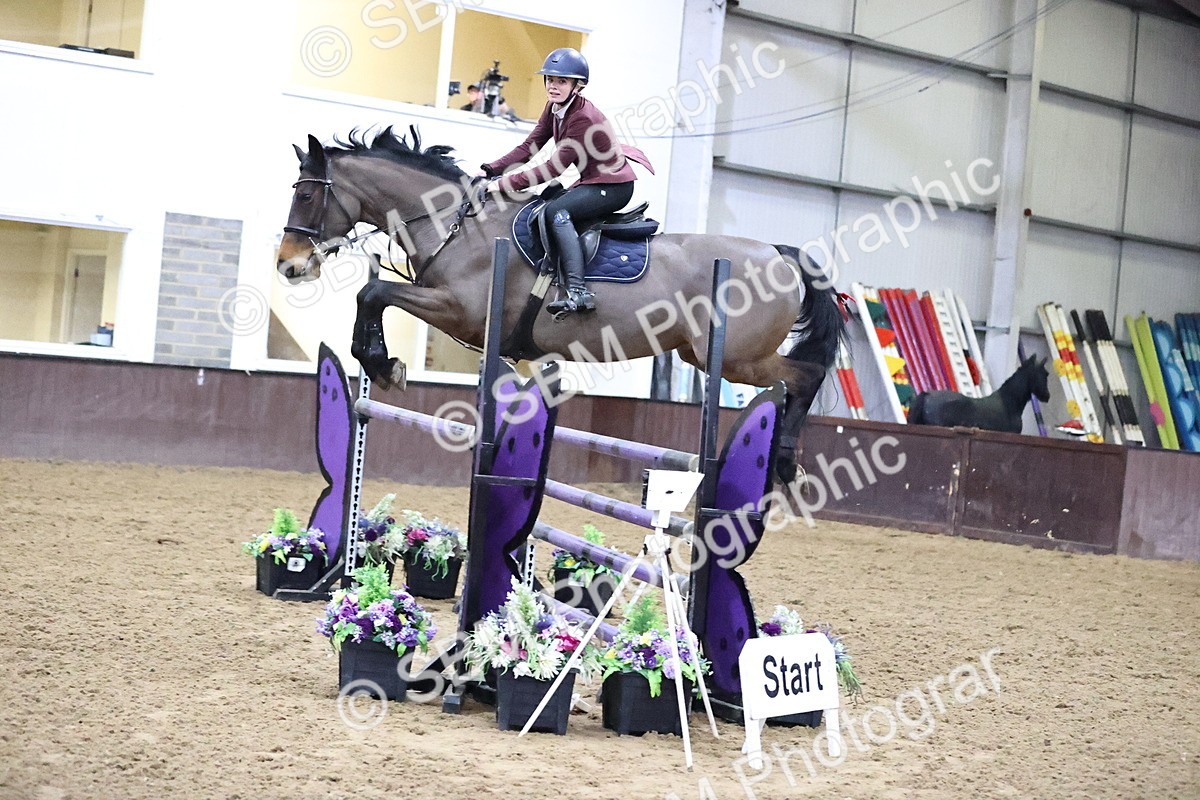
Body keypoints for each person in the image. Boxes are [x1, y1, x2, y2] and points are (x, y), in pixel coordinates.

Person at [480, 47, 653, 316]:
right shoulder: (555, 106)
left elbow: (552, 168)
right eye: (550, 79)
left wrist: (503, 185)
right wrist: (491, 169)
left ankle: (578, 291)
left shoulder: (582, 117)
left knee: (556, 211)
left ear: (577, 85)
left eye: (561, 81)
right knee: (546, 200)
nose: (553, 86)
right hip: (593, 181)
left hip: (613, 187)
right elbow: (530, 146)